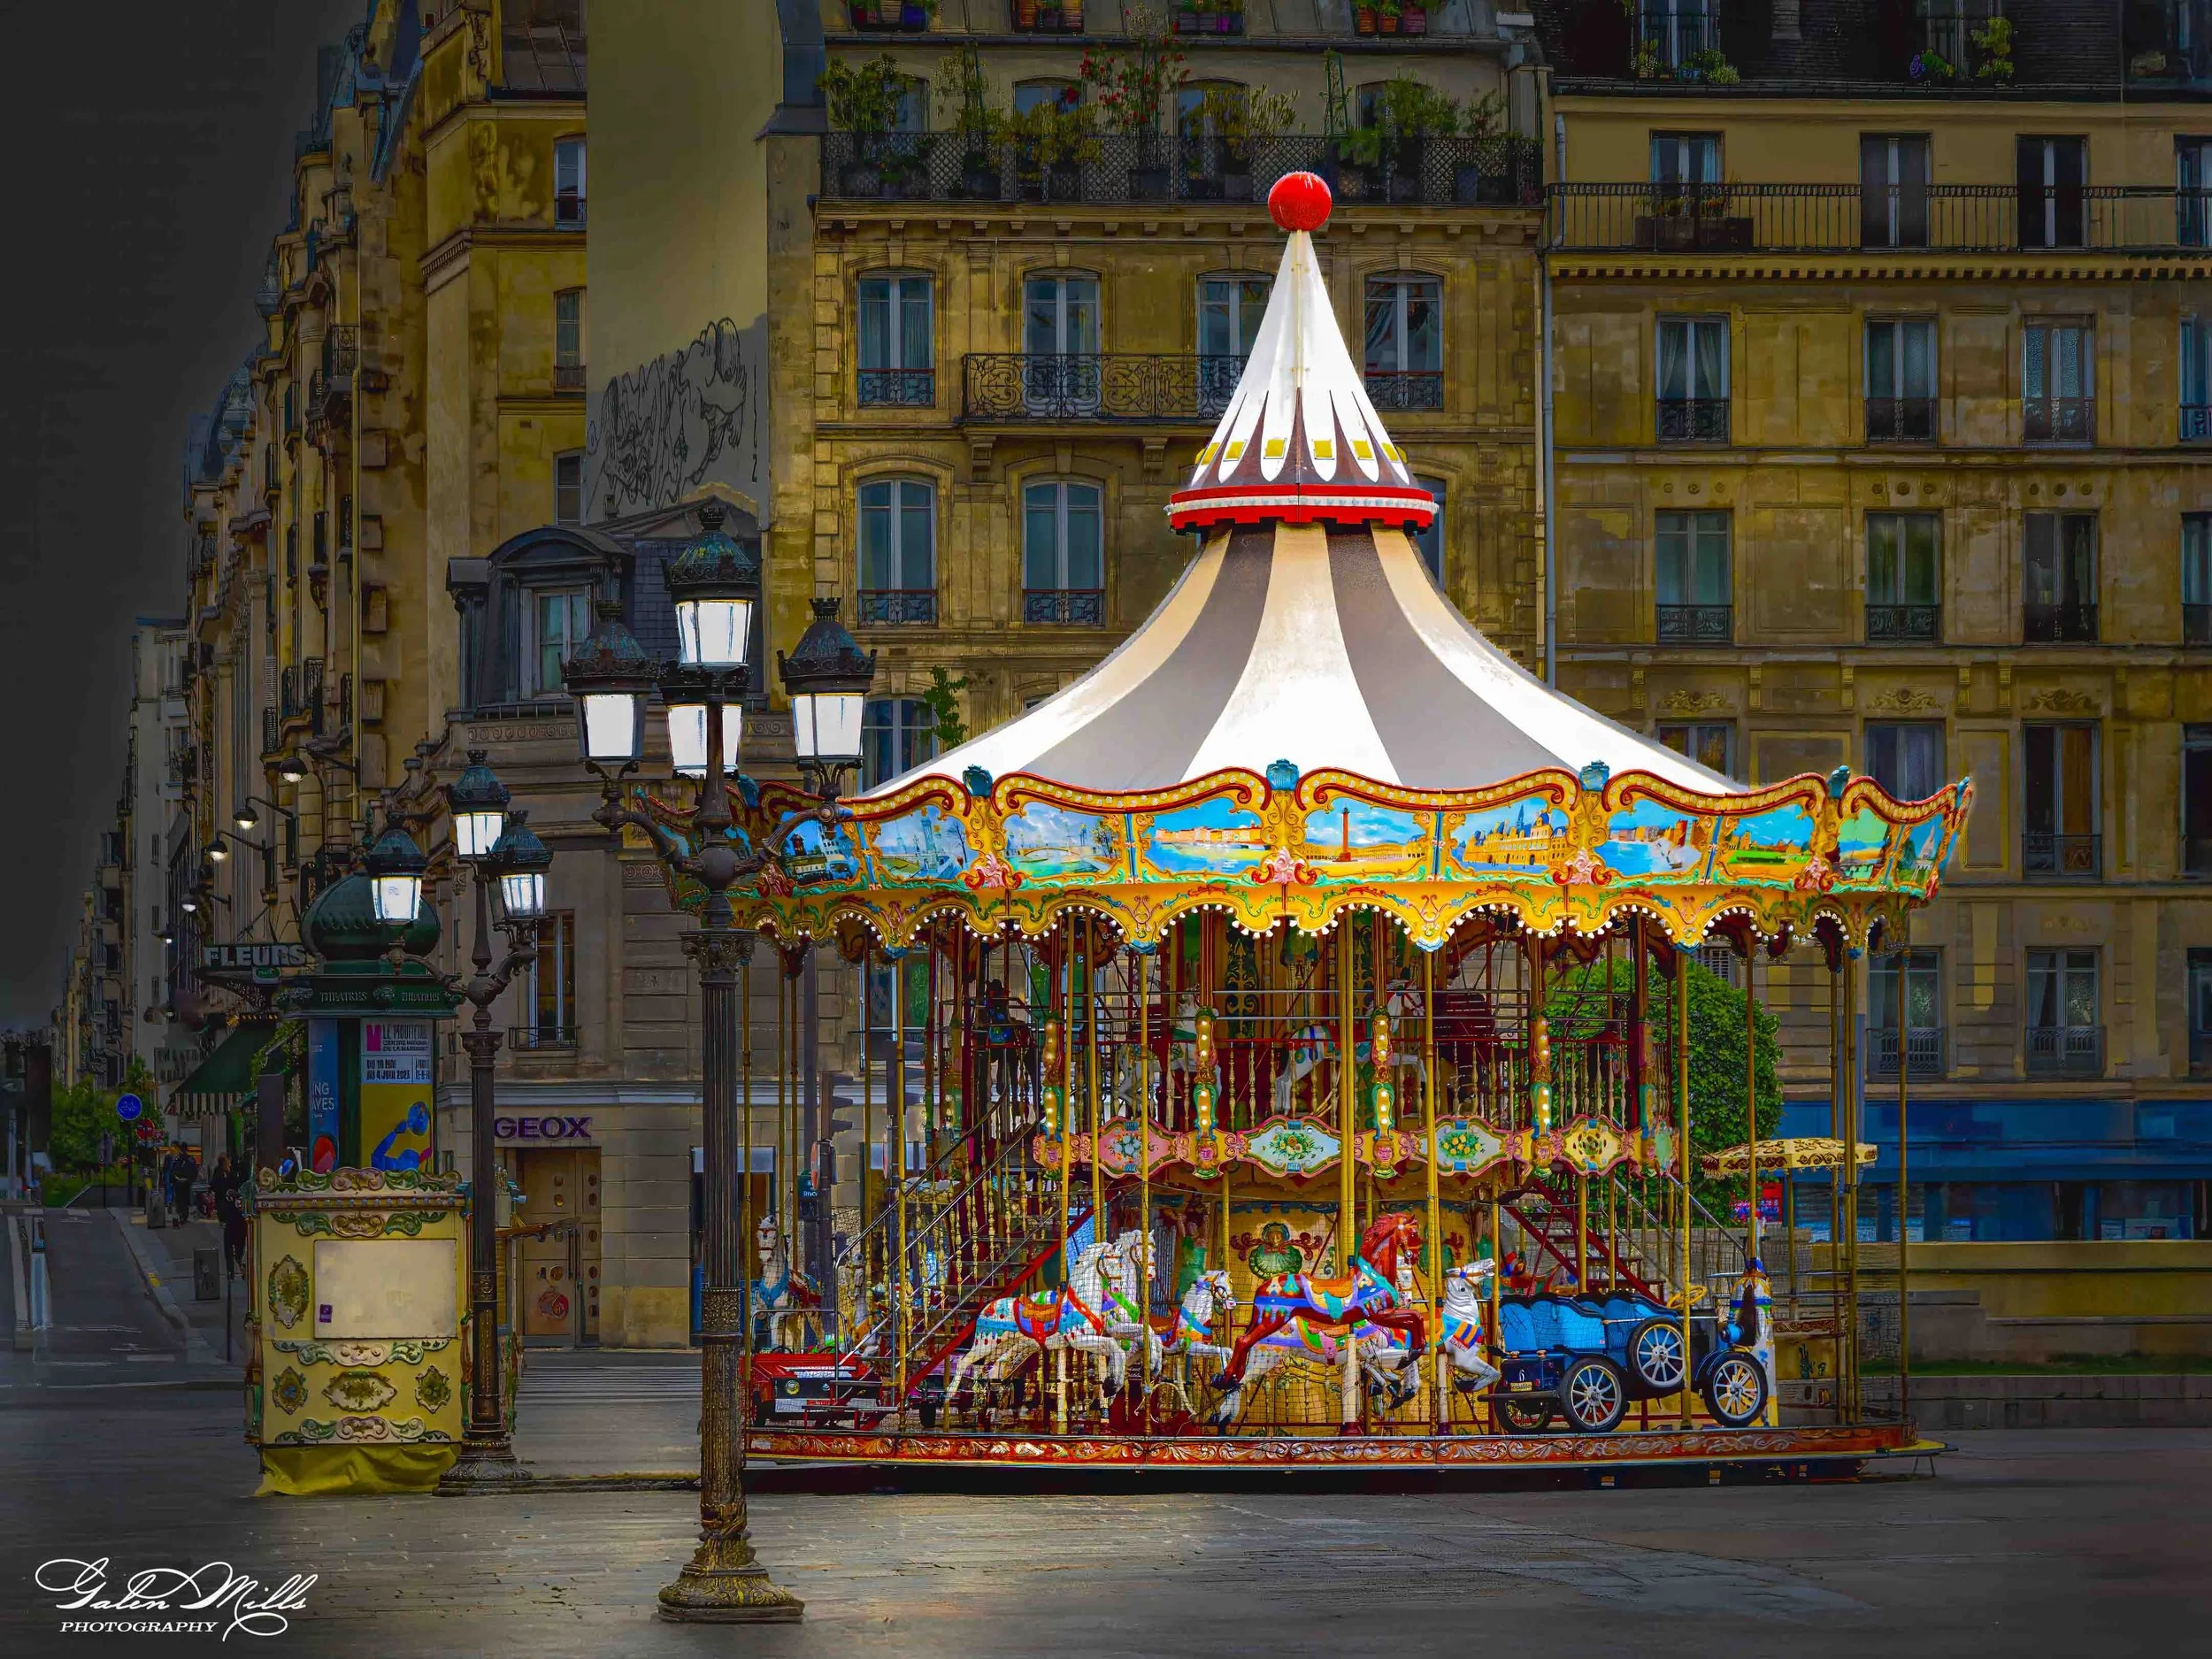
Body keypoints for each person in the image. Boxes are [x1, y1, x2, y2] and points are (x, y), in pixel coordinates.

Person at [210, 1155, 248, 1279]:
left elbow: (213, 1186)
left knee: (229, 1244)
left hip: (226, 1213)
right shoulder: (232, 1176)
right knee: (238, 1244)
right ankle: (239, 1264)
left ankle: (232, 1270)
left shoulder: (220, 1174)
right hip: (234, 1214)